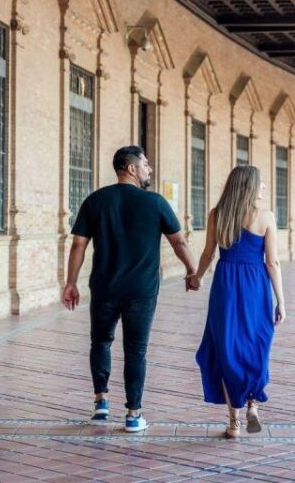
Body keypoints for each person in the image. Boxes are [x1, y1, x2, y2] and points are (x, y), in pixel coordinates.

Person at [62, 146, 199, 433]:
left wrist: (71, 282)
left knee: (100, 341)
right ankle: (133, 415)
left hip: (104, 287)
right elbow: (179, 242)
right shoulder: (155, 203)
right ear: (132, 168)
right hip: (142, 291)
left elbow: (78, 245)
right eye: (146, 164)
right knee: (136, 351)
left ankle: (101, 401)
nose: (149, 169)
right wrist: (191, 270)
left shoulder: (96, 200)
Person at [190, 165, 286, 439]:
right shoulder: (265, 217)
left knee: (226, 347)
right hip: (256, 286)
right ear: (249, 186)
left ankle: (233, 422)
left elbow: (209, 253)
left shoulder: (217, 215)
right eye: (261, 183)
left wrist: (197, 277)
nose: (264, 187)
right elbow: (273, 262)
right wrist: (281, 301)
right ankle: (253, 404)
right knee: (256, 342)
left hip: (226, 285)